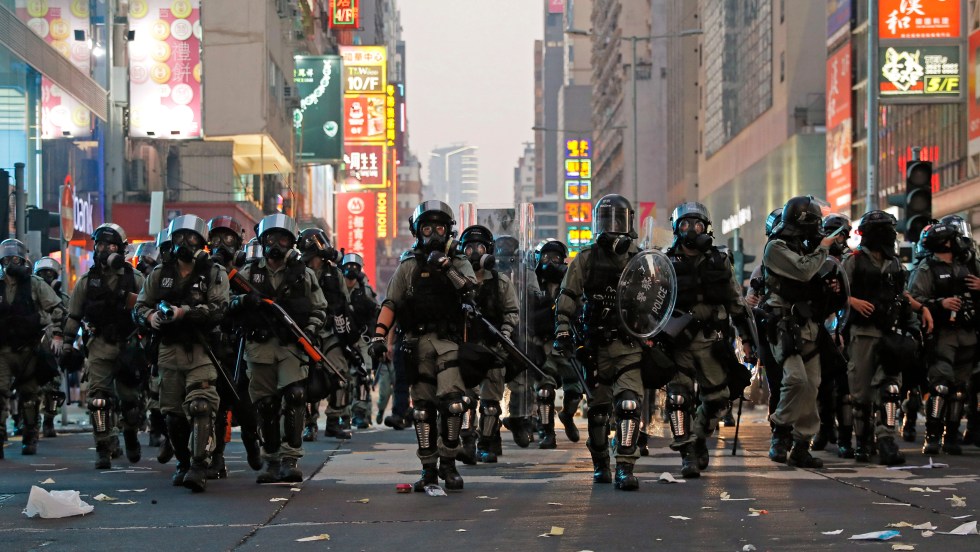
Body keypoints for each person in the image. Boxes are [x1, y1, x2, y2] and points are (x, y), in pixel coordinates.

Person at [368, 200, 478, 491]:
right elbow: (391, 302)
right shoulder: (408, 266)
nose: (433, 234)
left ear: (448, 230)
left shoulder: (457, 260)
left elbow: (469, 289)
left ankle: (449, 464)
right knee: (423, 410)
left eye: (439, 228)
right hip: (416, 344)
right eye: (426, 228)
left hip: (448, 343)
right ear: (417, 232)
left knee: (454, 404)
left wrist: (445, 267)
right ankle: (428, 469)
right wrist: (379, 336)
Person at [554, 194, 644, 490]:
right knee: (599, 410)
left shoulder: (640, 259)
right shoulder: (587, 258)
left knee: (629, 404)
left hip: (629, 346)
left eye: (619, 220)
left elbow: (658, 298)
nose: (614, 227)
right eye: (608, 220)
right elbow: (567, 296)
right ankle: (601, 462)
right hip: (594, 347)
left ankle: (625, 466)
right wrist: (563, 330)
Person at [230, 214, 327, 483]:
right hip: (259, 348)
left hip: (292, 346)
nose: (276, 244)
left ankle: (290, 458)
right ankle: (271, 459)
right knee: (266, 405)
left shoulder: (303, 275)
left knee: (295, 396)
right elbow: (226, 303)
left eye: (282, 238)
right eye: (271, 238)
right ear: (262, 241)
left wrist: (308, 332)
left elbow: (319, 308)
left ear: (291, 242)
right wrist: (242, 303)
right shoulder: (247, 273)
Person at [135, 215, 229, 492]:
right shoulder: (159, 274)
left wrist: (184, 313)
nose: (183, 243)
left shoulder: (214, 273)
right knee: (173, 414)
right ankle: (184, 462)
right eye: (178, 238)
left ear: (202, 243)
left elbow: (219, 309)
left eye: (190, 238)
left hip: (202, 352)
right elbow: (139, 307)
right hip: (168, 351)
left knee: (201, 406)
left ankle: (200, 466)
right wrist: (150, 317)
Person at [662, 202, 754, 478]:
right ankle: (686, 452)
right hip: (678, 342)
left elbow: (736, 301)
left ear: (707, 228)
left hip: (711, 341)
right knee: (678, 399)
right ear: (677, 228)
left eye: (698, 224)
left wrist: (748, 339)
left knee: (718, 400)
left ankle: (700, 436)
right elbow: (655, 304)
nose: (692, 230)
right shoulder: (665, 262)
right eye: (686, 224)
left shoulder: (719, 260)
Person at [763, 196, 844, 468]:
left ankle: (801, 445)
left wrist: (830, 289)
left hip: (810, 328)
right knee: (795, 380)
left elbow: (817, 284)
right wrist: (822, 249)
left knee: (811, 388)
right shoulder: (776, 248)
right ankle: (780, 430)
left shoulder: (806, 248)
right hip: (784, 325)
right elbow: (803, 271)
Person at [844, 210, 929, 466]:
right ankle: (862, 442)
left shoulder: (895, 265)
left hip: (890, 333)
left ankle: (887, 440)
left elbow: (902, 298)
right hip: (862, 333)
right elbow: (835, 295)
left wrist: (918, 317)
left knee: (891, 388)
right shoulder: (854, 261)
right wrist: (853, 302)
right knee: (861, 394)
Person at [62, 224, 145, 469]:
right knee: (98, 399)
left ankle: (130, 436)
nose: (104, 250)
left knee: (130, 401)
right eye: (100, 245)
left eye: (110, 246)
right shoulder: (87, 282)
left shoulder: (136, 279)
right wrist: (66, 343)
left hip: (129, 345)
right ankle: (103, 447)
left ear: (121, 248)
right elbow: (73, 315)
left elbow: (148, 310)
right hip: (99, 345)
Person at [908, 216, 980, 455]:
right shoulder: (927, 268)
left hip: (968, 334)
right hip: (942, 335)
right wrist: (940, 304)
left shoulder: (969, 264)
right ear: (945, 243)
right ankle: (933, 436)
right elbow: (913, 300)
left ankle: (952, 435)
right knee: (940, 386)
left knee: (960, 389)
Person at [457, 225, 519, 463]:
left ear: (488, 250)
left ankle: (486, 442)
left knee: (491, 403)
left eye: (479, 247)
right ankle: (467, 442)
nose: (474, 252)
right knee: (464, 401)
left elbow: (512, 311)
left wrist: (504, 332)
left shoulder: (500, 281)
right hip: (466, 349)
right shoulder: (457, 281)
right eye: (469, 247)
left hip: (494, 348)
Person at [205, 215, 261, 478]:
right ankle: (216, 457)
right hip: (212, 346)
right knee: (215, 406)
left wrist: (241, 302)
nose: (221, 244)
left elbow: (256, 299)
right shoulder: (202, 271)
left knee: (245, 406)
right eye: (215, 238)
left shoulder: (245, 272)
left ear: (238, 243)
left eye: (227, 239)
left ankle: (253, 444)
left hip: (240, 345)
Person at [0, 241, 64, 458]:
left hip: (29, 349)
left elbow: (57, 307)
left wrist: (56, 334)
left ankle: (30, 436)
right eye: (6, 259)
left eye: (14, 259)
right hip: (3, 351)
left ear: (22, 260)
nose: (10, 263)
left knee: (30, 397)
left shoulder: (35, 284)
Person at [296, 228, 352, 440]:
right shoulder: (298, 272)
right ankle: (310, 423)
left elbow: (345, 303)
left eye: (317, 257)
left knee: (340, 374)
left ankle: (334, 420)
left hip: (330, 332)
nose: (314, 262)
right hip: (305, 332)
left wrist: (348, 333)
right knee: (307, 379)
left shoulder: (334, 273)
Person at [531, 239, 584, 448]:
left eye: (555, 257)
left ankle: (568, 416)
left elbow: (580, 310)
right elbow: (525, 313)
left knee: (575, 391)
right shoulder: (533, 284)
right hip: (543, 345)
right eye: (546, 257)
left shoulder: (571, 283)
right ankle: (546, 432)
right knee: (544, 389)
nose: (550, 261)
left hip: (567, 345)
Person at [812, 214, 854, 458]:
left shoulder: (851, 260)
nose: (837, 238)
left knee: (844, 387)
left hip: (846, 329)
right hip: (822, 328)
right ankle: (825, 428)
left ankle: (846, 435)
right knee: (822, 385)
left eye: (840, 234)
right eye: (832, 233)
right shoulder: (817, 260)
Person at [342, 253, 381, 429]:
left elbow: (375, 312)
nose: (351, 271)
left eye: (355, 267)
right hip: (342, 338)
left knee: (363, 376)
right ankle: (343, 413)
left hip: (362, 338)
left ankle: (360, 413)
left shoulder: (365, 290)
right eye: (348, 267)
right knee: (342, 377)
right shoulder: (337, 287)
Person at [33, 257, 69, 439]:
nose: (46, 278)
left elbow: (70, 320)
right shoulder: (30, 294)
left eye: (49, 274)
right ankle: (28, 422)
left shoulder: (62, 299)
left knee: (53, 388)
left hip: (54, 348)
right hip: (32, 345)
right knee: (30, 387)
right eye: (41, 274)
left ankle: (49, 420)